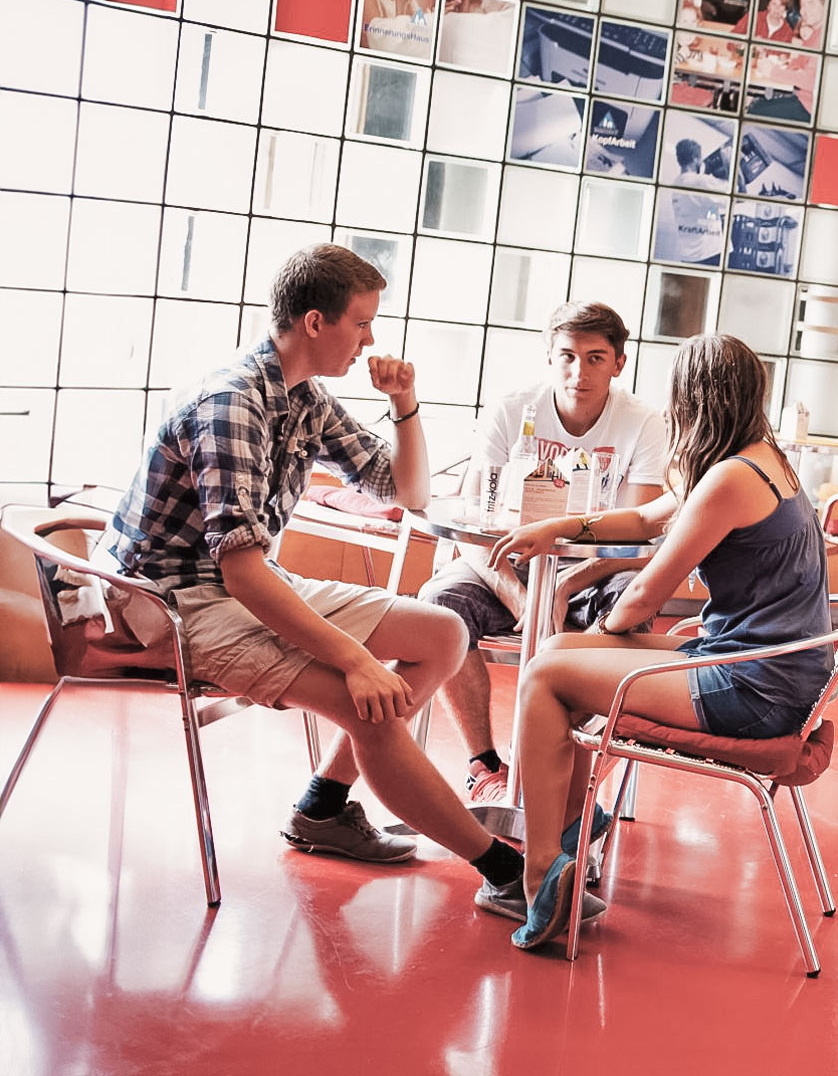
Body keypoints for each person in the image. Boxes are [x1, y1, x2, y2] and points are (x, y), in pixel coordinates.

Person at [98, 244, 527, 903]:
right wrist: (355, 661)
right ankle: (509, 874)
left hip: (241, 583)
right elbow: (240, 573)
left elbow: (406, 491)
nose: (372, 339)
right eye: (362, 323)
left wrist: (405, 402)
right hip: (174, 603)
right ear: (315, 323)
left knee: (444, 634)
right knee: (373, 708)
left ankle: (324, 805)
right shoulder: (232, 404)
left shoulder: (304, 398)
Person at [485, 334, 831, 950]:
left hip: (752, 687)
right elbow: (647, 520)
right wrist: (559, 527)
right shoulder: (759, 460)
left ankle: (541, 875)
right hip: (766, 665)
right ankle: (569, 835)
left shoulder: (729, 479)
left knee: (545, 673)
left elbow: (644, 596)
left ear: (693, 399)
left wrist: (597, 639)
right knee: (558, 657)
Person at [416, 301, 668, 803]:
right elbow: (469, 525)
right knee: (438, 604)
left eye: (596, 358)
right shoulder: (512, 409)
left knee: (633, 611)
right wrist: (522, 596)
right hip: (504, 564)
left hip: (596, 571)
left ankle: (572, 782)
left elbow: (639, 536)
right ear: (550, 357)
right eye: (568, 356)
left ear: (619, 363)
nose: (579, 372)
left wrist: (565, 586)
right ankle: (485, 766)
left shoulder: (644, 422)